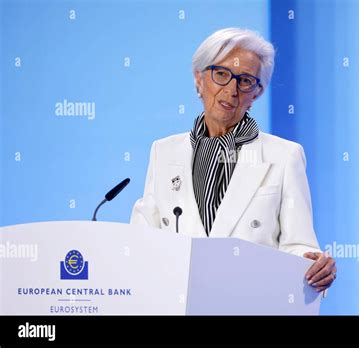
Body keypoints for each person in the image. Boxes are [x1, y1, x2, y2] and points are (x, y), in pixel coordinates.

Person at [130, 28, 336, 293]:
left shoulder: (285, 156)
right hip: (176, 302)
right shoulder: (163, 152)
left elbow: (299, 246)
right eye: (221, 75)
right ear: (199, 79)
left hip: (248, 302)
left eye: (246, 81)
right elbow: (141, 239)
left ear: (257, 93)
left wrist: (315, 266)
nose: (231, 90)